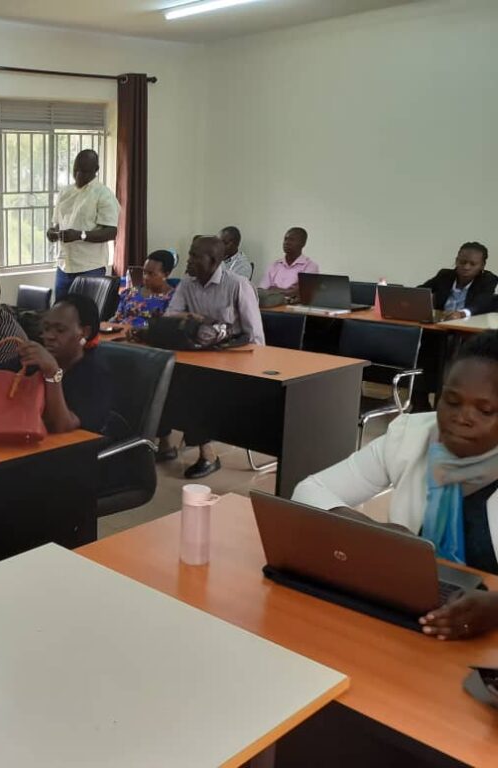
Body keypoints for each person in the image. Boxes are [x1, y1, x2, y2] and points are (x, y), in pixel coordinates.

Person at [293, 331, 498, 640]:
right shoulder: (411, 436)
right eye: (452, 401)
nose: (462, 418)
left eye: (485, 410)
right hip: (408, 619)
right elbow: (308, 491)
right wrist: (375, 533)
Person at [152, 236, 265, 479]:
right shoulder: (187, 283)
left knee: (193, 386)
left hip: (232, 359)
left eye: (195, 256)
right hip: (198, 352)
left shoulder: (238, 285)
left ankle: (208, 456)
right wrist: (199, 319)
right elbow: (171, 315)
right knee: (158, 377)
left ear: (213, 261)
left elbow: (256, 338)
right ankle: (165, 445)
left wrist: (250, 374)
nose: (189, 260)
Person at [15, 294, 113, 434]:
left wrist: (52, 374)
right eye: (46, 328)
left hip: (78, 445)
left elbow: (62, 426)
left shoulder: (95, 373)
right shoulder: (35, 363)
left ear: (84, 332)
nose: (49, 336)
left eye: (60, 330)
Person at [47, 149, 120, 302]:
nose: (79, 175)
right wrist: (53, 232)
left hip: (90, 267)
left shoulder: (103, 194)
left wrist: (80, 235)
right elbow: (58, 224)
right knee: (60, 310)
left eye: (84, 171)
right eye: (76, 170)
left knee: (85, 312)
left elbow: (111, 232)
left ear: (96, 169)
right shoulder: (65, 192)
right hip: (64, 265)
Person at [420, 242, 496, 320]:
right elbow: (420, 291)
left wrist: (462, 314)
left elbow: (480, 304)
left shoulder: (488, 280)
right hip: (441, 322)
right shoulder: (444, 275)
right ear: (456, 261)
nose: (466, 267)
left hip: (469, 324)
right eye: (462, 262)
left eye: (473, 264)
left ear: (482, 265)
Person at [112, 250, 177, 329]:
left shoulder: (173, 300)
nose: (145, 277)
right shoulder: (130, 293)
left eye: (151, 274)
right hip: (118, 334)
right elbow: (116, 319)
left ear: (166, 274)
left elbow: (168, 329)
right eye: (144, 272)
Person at [259, 227, 319, 297]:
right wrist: (288, 291)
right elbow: (261, 291)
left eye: (291, 240)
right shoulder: (274, 265)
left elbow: (301, 293)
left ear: (303, 243)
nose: (286, 243)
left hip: (295, 304)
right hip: (270, 303)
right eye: (285, 239)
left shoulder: (310, 266)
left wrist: (274, 289)